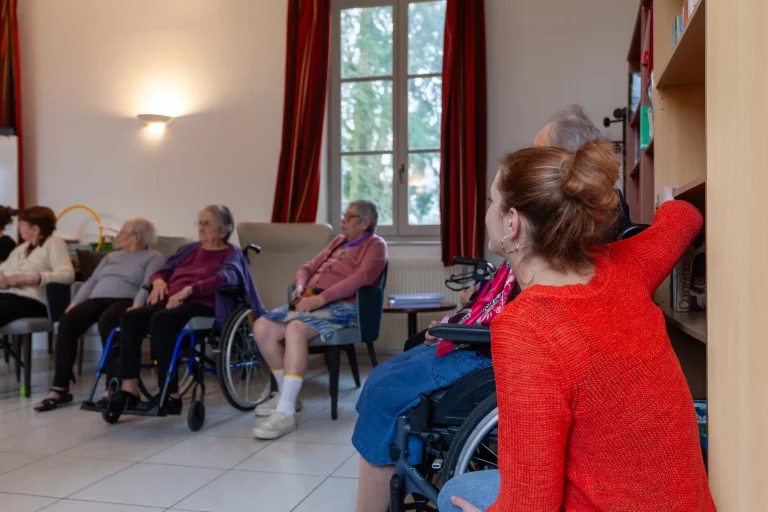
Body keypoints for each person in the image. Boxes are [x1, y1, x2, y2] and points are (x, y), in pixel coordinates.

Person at [438, 141, 715, 511]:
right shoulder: (624, 268)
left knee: (456, 494)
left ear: (512, 222)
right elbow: (685, 218)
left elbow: (530, 505)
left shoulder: (527, 328)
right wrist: (668, 198)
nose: (488, 212)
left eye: (493, 201)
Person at [107, 205, 264, 415]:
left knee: (161, 321)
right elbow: (163, 270)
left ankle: (170, 394)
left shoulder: (231, 253)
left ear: (224, 230)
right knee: (131, 318)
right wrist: (159, 281)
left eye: (207, 223)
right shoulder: (188, 249)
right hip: (171, 299)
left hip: (205, 303)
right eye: (199, 223)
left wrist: (191, 289)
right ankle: (129, 389)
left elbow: (227, 278)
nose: (201, 228)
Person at [251, 199, 387, 440]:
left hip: (344, 307)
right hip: (311, 300)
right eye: (344, 214)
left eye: (349, 216)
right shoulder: (338, 241)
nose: (343, 219)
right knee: (262, 327)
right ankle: (288, 395)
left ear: (366, 222)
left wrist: (320, 299)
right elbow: (307, 267)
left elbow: (362, 278)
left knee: (295, 328)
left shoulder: (376, 245)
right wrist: (301, 285)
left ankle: (285, 411)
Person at [34, 218, 164, 412]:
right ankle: (60, 387)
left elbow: (148, 283)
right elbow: (91, 282)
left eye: (122, 233)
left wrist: (137, 304)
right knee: (67, 322)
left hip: (125, 299)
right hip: (96, 299)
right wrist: (75, 303)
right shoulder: (111, 257)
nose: (118, 236)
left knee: (108, 322)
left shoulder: (153, 256)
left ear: (137, 237)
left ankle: (111, 384)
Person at [0, 206, 74, 329]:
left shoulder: (54, 243)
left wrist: (31, 278)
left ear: (35, 229)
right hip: (8, 296)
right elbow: (2, 269)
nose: (18, 228)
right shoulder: (21, 248)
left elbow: (67, 275)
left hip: (33, 300)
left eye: (22, 224)